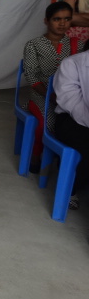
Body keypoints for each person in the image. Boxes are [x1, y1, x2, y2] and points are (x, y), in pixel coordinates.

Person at [23, 2, 84, 172]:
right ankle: (36, 156)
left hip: (71, 96)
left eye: (67, 19)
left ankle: (66, 162)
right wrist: (52, 97)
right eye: (57, 19)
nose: (62, 23)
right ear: (46, 21)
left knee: (77, 126)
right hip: (41, 95)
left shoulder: (77, 45)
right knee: (48, 123)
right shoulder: (34, 45)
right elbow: (31, 76)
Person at [53, 42, 89, 210]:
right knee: (83, 144)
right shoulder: (73, 63)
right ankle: (72, 188)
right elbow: (72, 103)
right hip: (72, 119)